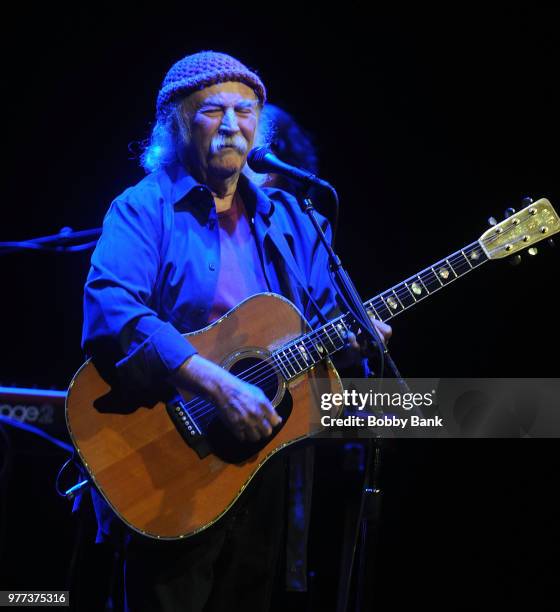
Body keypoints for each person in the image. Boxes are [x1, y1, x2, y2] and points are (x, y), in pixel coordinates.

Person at [82, 51, 391, 612]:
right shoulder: (143, 209)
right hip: (165, 461)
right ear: (176, 123)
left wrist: (351, 338)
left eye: (245, 110)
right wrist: (215, 384)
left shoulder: (295, 219)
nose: (231, 123)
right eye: (212, 110)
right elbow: (112, 308)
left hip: (262, 467)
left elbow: (320, 331)